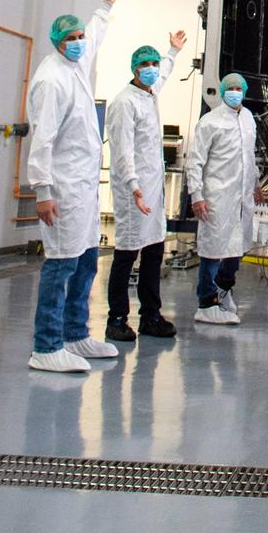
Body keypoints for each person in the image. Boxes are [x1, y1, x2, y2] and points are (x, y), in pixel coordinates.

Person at [27, 0, 123, 373]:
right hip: (62, 189)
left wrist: (105, 7)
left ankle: (75, 335)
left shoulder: (76, 66)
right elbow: (42, 140)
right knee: (60, 264)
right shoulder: (51, 80)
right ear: (57, 41)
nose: (80, 40)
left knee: (85, 259)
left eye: (81, 35)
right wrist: (43, 191)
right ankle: (46, 347)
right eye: (72, 37)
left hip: (82, 188)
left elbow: (96, 36)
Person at [105, 32, 187, 342]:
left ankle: (150, 315)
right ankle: (116, 319)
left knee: (154, 250)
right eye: (146, 64)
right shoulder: (124, 103)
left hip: (153, 189)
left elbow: (163, 75)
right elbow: (122, 150)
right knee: (126, 252)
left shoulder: (150, 93)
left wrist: (172, 52)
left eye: (154, 63)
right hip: (133, 190)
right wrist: (134, 186)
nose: (153, 68)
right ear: (134, 69)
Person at [186, 72, 259, 325]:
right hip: (216, 195)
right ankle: (205, 302)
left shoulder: (248, 118)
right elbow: (195, 161)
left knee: (236, 246)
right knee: (212, 248)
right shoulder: (210, 121)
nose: (235, 92)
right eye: (231, 88)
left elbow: (249, 156)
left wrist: (256, 182)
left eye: (239, 88)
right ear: (222, 90)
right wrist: (197, 195)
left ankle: (223, 288)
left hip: (242, 195)